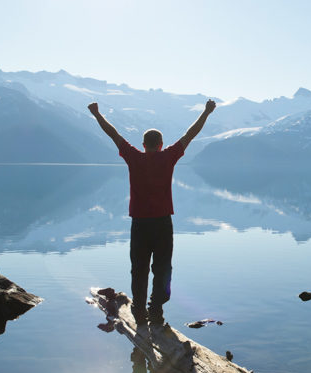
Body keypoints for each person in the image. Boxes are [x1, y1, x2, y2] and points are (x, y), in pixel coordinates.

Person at [88, 99, 216, 324]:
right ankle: (155, 308)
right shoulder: (168, 157)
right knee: (163, 268)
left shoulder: (133, 157)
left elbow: (113, 134)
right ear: (161, 143)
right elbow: (190, 134)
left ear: (143, 144)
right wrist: (206, 112)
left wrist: (97, 114)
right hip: (162, 224)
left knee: (139, 268)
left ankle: (139, 309)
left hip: (139, 224)